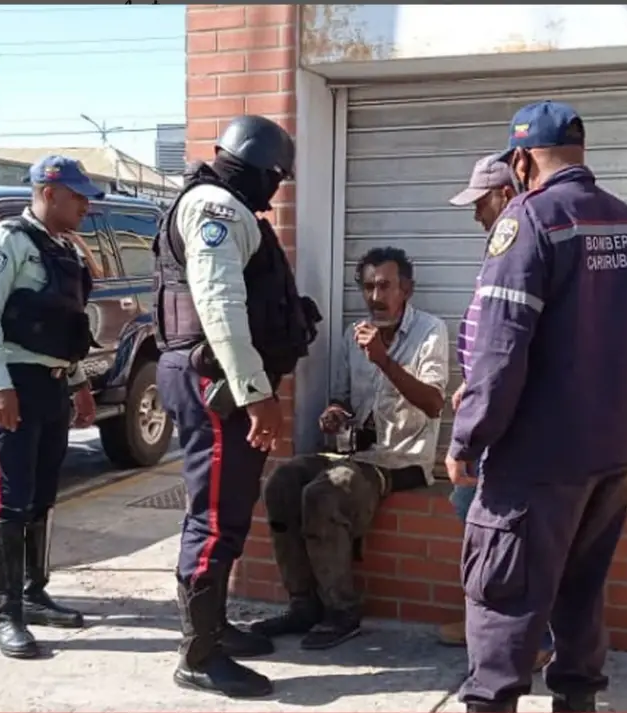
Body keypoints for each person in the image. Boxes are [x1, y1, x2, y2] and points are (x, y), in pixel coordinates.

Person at [445, 101, 627, 713]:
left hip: (536, 461)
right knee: (581, 592)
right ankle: (578, 703)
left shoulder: (529, 221)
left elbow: (498, 350)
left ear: (520, 159)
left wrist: (467, 441)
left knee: (503, 597)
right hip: (610, 454)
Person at [153, 115, 321, 699]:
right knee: (214, 521)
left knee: (224, 514)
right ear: (262, 169)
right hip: (217, 385)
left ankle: (216, 630)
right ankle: (198, 656)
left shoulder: (221, 205)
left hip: (213, 380)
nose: (276, 190)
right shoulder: (217, 209)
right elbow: (220, 304)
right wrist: (257, 397)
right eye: (276, 179)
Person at [250, 247, 450, 650]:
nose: (376, 297)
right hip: (356, 453)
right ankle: (303, 604)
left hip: (403, 459)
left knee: (327, 492)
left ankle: (342, 611)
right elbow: (341, 397)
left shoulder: (430, 330)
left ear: (406, 289)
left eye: (385, 286)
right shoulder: (352, 334)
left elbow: (433, 403)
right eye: (368, 287)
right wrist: (335, 413)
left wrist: (383, 360)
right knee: (283, 482)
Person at [0, 155, 100, 659]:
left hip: (52, 382)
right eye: (78, 195)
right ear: (48, 191)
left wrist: (80, 382)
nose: (86, 205)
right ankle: (5, 613)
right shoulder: (8, 241)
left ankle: (34, 593)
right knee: (10, 498)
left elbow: (69, 325)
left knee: (42, 494)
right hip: (13, 383)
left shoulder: (63, 247)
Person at [438, 154, 554, 672]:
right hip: (490, 406)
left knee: (507, 531)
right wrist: (472, 385)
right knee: (475, 517)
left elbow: (510, 347)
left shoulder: (519, 245)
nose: (476, 215)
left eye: (480, 203)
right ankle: (489, 627)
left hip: (507, 424)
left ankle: (532, 639)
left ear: (505, 196)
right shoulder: (502, 249)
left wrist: (475, 418)